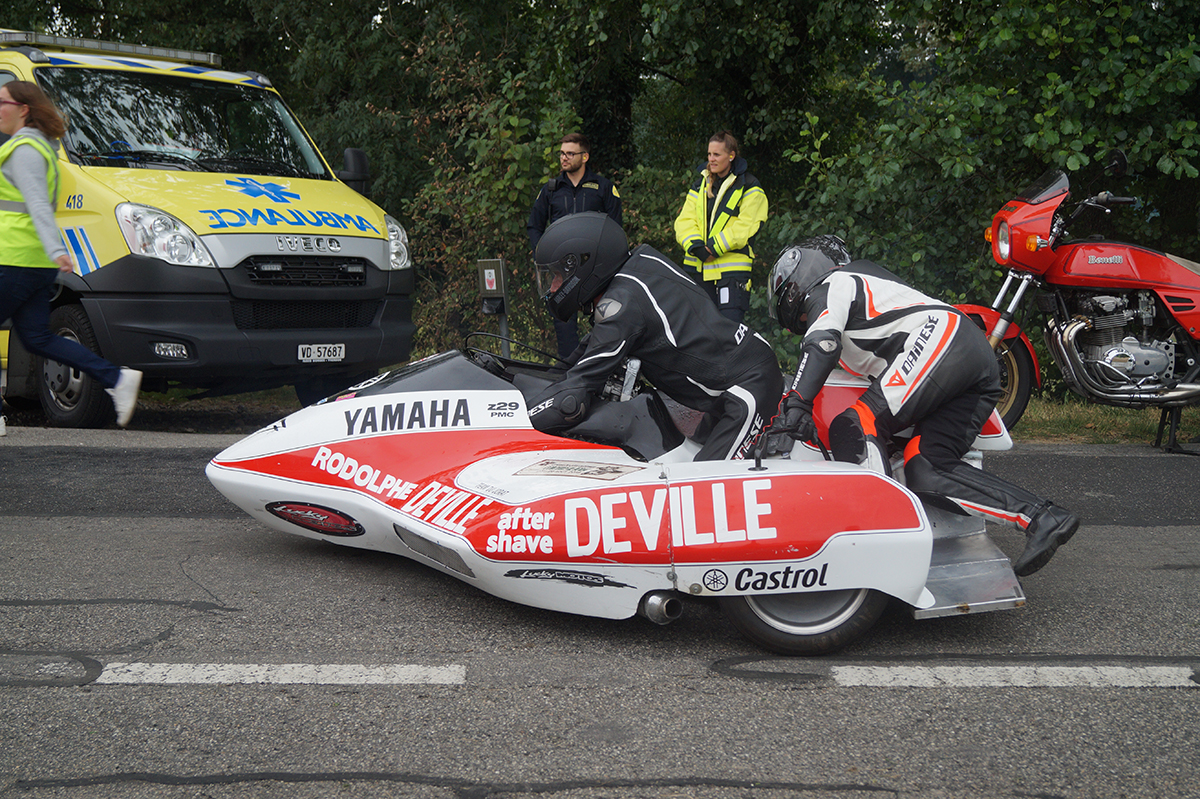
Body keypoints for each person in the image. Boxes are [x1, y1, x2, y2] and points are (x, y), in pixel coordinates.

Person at [767, 235, 1079, 576]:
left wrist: (796, 403)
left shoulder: (835, 284)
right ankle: (1044, 517)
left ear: (799, 282)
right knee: (926, 467)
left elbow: (821, 342)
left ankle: (883, 544)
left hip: (942, 340)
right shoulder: (864, 296)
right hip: (969, 357)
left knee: (855, 425)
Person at [527, 212, 783, 461]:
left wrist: (521, 419)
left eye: (557, 276)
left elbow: (574, 392)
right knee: (687, 463)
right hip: (737, 376)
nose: (552, 288)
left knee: (705, 486)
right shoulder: (637, 267)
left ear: (581, 266)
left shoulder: (623, 305)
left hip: (748, 387)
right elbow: (583, 356)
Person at [0, 80, 141, 427]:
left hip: (15, 259)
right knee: (37, 337)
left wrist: (56, 249)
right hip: (32, 263)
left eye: (2, 102)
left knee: (38, 337)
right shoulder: (41, 147)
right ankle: (117, 379)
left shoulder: (25, 150)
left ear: (23, 110)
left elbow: (36, 205)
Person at [527, 133, 623, 360]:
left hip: (596, 268)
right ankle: (569, 370)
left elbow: (615, 228)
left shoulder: (603, 187)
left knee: (604, 317)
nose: (564, 158)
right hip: (563, 268)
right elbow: (534, 226)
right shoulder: (550, 189)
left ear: (585, 156)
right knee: (563, 322)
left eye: (570, 153)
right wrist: (541, 256)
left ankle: (602, 364)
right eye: (562, 153)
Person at [673, 130, 767, 324]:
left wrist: (714, 248)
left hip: (731, 273)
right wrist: (696, 246)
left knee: (729, 332)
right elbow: (684, 221)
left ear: (731, 156)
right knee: (699, 332)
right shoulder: (700, 184)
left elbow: (746, 225)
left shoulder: (749, 185)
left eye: (717, 154)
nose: (711, 159)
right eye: (709, 154)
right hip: (697, 270)